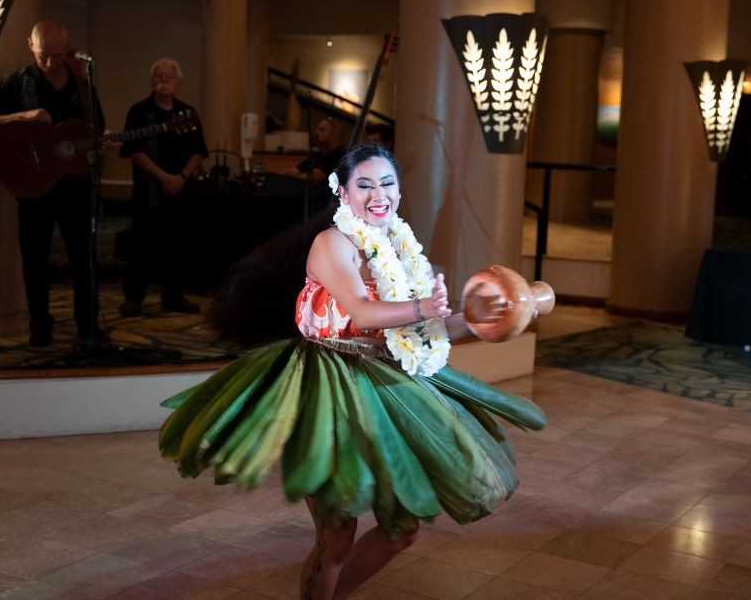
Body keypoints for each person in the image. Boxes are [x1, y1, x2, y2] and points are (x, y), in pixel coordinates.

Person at [159, 143, 545, 600]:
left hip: (386, 383)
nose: (377, 193)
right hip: (325, 385)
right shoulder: (331, 243)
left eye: (386, 183)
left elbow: (428, 328)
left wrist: (482, 317)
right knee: (337, 536)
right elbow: (362, 312)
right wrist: (424, 306)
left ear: (399, 192)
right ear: (342, 193)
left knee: (401, 530)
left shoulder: (398, 248)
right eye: (364, 184)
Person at [0, 19, 106, 347]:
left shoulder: (82, 84)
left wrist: (104, 139)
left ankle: (88, 327)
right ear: (30, 47)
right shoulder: (16, 83)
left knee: (83, 256)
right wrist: (22, 116)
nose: (51, 62)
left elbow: (95, 131)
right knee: (35, 258)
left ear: (68, 50)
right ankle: (40, 327)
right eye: (43, 56)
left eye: (57, 55)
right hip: (33, 186)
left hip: (75, 185)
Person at [118, 59, 208, 317]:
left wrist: (180, 177)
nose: (164, 80)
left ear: (179, 82)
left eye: (169, 77)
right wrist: (164, 178)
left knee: (178, 245)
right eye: (159, 76)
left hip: (181, 191)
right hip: (148, 191)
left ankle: (173, 296)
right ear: (151, 80)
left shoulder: (188, 114)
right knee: (141, 246)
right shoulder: (138, 111)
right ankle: (134, 297)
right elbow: (134, 152)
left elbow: (198, 152)